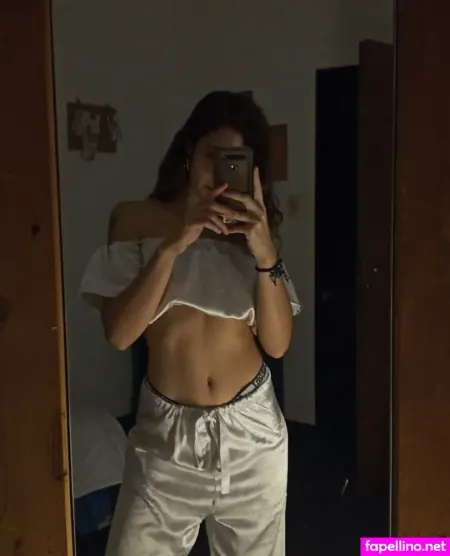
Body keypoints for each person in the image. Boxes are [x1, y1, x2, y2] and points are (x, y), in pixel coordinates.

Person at [80, 91, 301, 556]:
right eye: (211, 157)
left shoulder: (252, 235)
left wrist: (266, 252)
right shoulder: (136, 219)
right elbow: (120, 334)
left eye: (234, 161)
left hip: (252, 435)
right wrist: (176, 241)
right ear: (188, 153)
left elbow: (278, 344)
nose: (220, 172)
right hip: (165, 439)